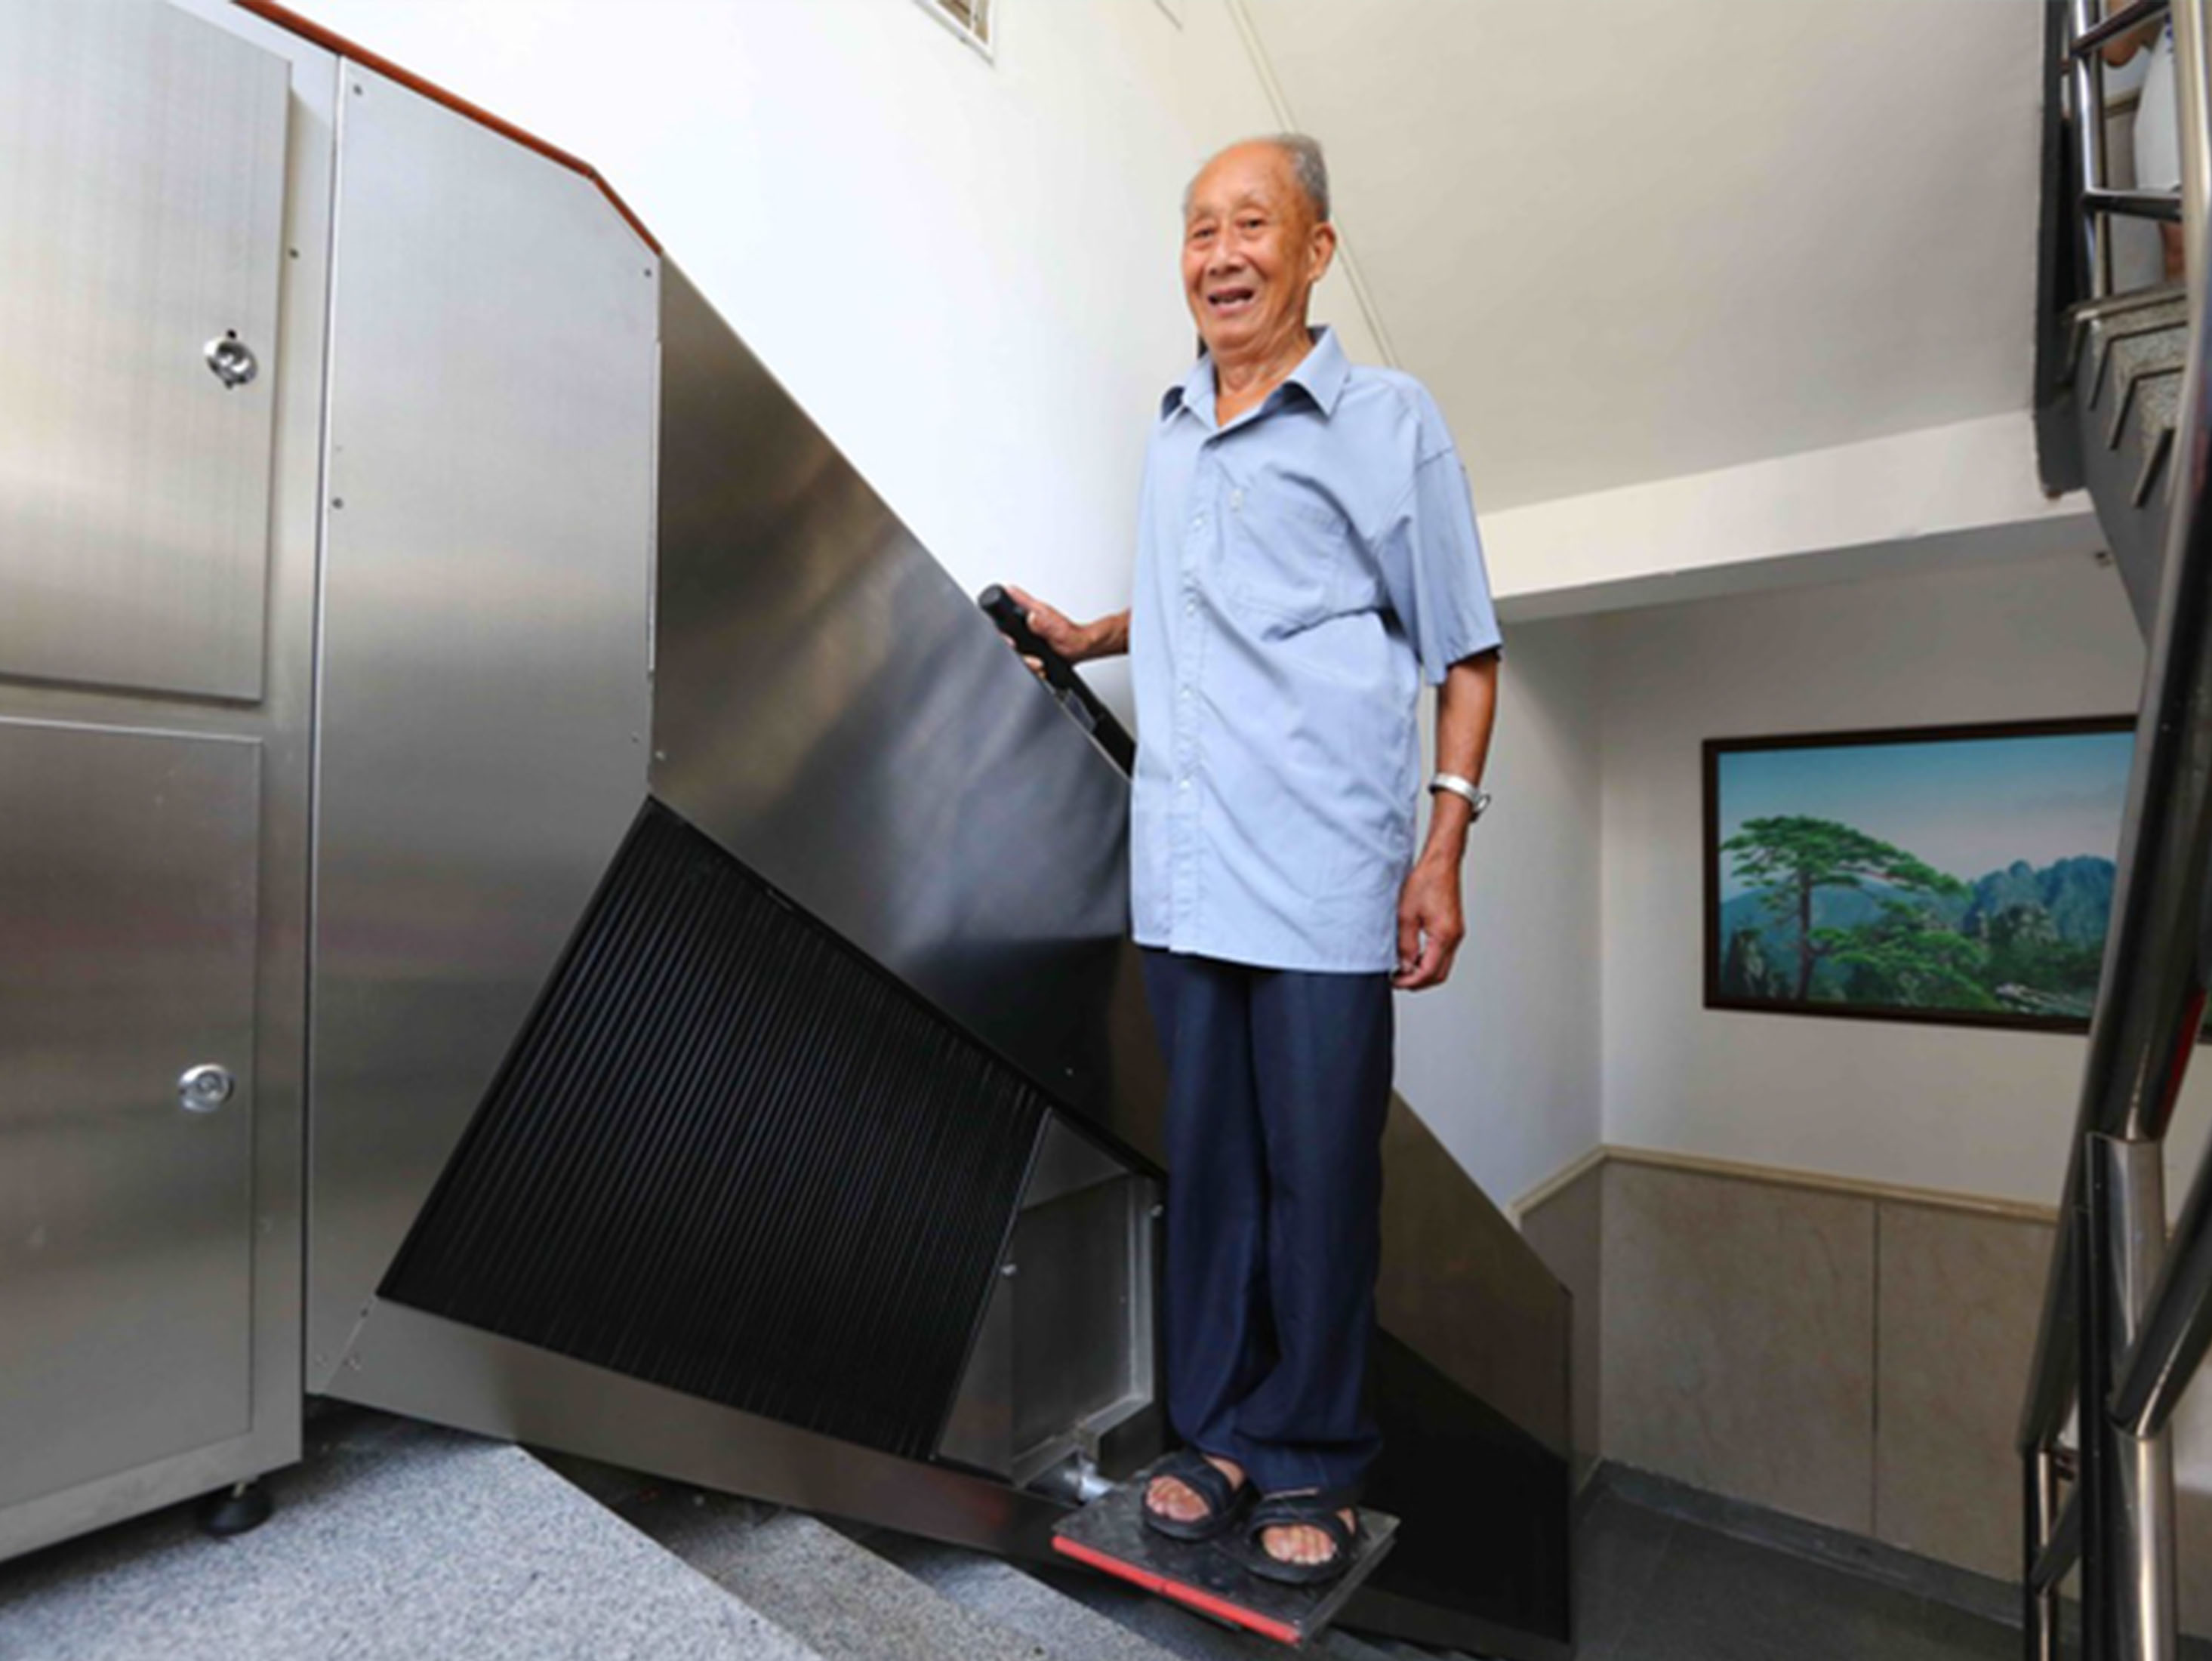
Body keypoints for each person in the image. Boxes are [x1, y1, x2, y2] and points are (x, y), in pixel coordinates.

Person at [1009, 133, 1500, 1586]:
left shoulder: (1388, 421)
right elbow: (1204, 607)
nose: (1220, 254)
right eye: (1200, 230)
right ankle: (1215, 1438)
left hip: (1327, 874)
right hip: (1184, 872)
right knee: (1211, 1177)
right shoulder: (1172, 427)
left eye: (1252, 225)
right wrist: (1090, 634)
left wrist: (1440, 853)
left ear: (1315, 250)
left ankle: (1311, 1455)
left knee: (1318, 1184)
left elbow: (1465, 652)